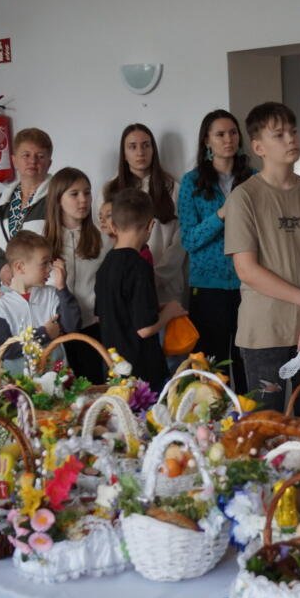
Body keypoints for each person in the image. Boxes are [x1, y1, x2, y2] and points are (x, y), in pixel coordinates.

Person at [224, 101, 300, 417]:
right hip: (263, 331)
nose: (291, 139)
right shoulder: (244, 197)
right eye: (279, 134)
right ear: (259, 147)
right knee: (265, 424)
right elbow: (247, 270)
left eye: (293, 132)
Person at [178, 109, 255, 390]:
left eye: (233, 133)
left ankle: (251, 415)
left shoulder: (254, 178)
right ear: (207, 141)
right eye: (220, 134)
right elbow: (189, 239)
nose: (228, 139)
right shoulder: (192, 182)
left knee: (248, 362)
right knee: (211, 369)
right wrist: (221, 214)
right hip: (208, 288)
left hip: (250, 283)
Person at [94, 189, 186, 391]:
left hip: (113, 366)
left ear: (113, 226)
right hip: (142, 370)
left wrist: (157, 306)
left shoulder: (105, 266)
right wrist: (169, 313)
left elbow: (109, 312)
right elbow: (144, 329)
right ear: (151, 225)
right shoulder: (139, 267)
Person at [103, 124, 186, 305]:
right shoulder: (110, 190)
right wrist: (128, 275)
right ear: (124, 154)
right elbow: (105, 235)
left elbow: (181, 238)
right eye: (132, 147)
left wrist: (157, 275)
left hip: (166, 286)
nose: (140, 152)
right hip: (125, 283)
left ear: (153, 150)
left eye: (146, 145)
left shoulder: (173, 188)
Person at [0, 127, 54, 296]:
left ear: (49, 163)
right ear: (14, 160)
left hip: (46, 294)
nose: (33, 161)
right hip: (7, 292)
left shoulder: (59, 199)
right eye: (26, 155)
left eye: (40, 156)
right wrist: (2, 267)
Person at [0, 230, 80, 372]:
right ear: (20, 267)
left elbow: (71, 327)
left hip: (57, 377)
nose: (50, 269)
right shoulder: (0, 305)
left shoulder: (53, 294)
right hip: (18, 381)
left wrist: (62, 288)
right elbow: (5, 350)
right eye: (44, 263)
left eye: (50, 263)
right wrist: (44, 334)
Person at [44, 167, 105, 380]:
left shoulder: (103, 239)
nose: (83, 200)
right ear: (58, 198)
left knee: (92, 388)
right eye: (74, 194)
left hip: (90, 328)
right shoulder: (41, 240)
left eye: (87, 193)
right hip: (53, 330)